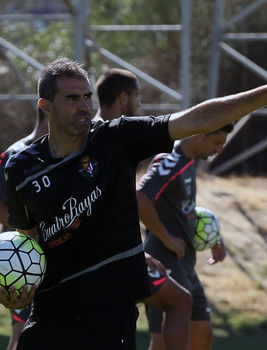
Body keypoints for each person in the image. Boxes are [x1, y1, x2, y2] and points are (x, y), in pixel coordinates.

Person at [0, 57, 267, 350]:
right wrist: (21, 288)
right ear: (45, 106)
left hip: (109, 314)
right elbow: (28, 239)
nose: (83, 106)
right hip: (50, 313)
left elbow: (198, 119)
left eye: (86, 96)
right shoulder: (22, 166)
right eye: (71, 98)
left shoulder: (116, 138)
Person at [96, 68, 194, 350]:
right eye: (137, 98)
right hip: (108, 259)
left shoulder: (95, 134)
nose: (140, 105)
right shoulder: (109, 137)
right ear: (124, 98)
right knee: (180, 301)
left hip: (118, 254)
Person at [136, 123, 233, 350]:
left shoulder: (190, 161)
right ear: (200, 133)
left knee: (203, 335)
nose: (219, 149)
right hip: (164, 261)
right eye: (217, 142)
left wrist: (213, 237)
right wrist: (167, 237)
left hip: (186, 264)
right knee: (160, 343)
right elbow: (140, 197)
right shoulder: (169, 161)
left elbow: (184, 209)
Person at [0, 107, 48, 350]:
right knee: (21, 336)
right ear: (48, 110)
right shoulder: (15, 155)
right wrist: (35, 226)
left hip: (58, 258)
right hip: (23, 263)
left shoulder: (67, 154)